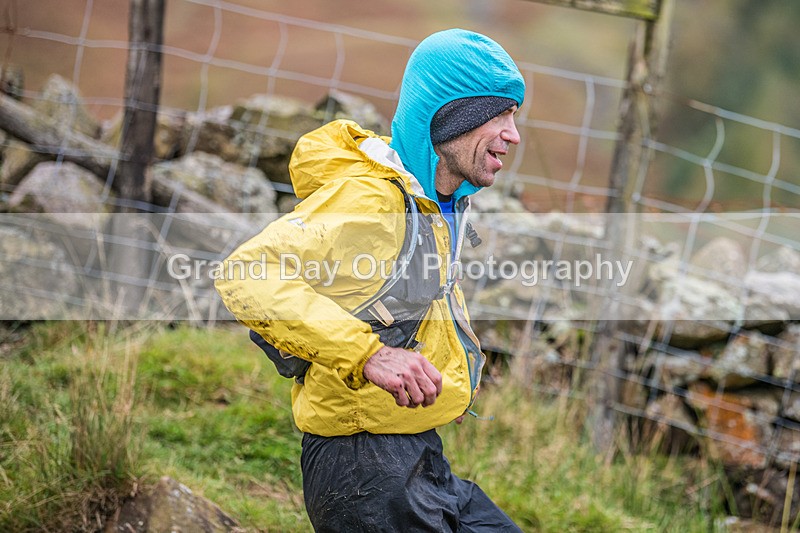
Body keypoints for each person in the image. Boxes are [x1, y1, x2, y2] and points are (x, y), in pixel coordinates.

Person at [215, 28, 525, 532]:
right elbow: (248, 272)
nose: (513, 134)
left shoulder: (436, 199)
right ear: (453, 114)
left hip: (417, 454)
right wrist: (370, 355)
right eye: (501, 113)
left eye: (516, 115)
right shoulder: (371, 202)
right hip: (360, 468)